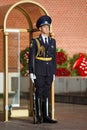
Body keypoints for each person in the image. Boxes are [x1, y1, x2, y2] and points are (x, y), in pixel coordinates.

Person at [29, 15, 57, 124]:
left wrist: (54, 72)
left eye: (48, 27)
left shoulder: (52, 41)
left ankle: (46, 116)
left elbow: (54, 57)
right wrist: (32, 72)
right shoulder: (35, 41)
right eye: (45, 27)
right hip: (39, 70)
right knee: (39, 92)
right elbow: (31, 57)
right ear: (40, 28)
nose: (47, 29)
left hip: (49, 70)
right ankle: (39, 115)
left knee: (46, 93)